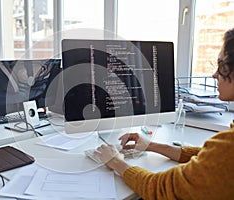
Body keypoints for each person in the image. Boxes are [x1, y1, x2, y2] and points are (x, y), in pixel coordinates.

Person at [94, 28, 234, 199]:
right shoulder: (225, 149)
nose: (214, 74)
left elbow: (160, 188)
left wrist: (115, 162)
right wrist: (152, 146)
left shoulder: (229, 146)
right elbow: (212, 160)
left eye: (221, 66)